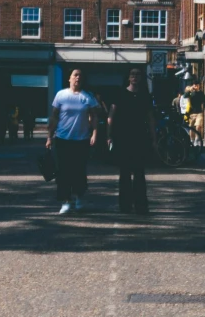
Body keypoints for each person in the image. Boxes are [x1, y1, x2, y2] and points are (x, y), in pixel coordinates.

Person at [46, 67, 102, 216]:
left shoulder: (87, 97)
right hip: (63, 139)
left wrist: (95, 133)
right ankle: (65, 202)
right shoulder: (61, 95)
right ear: (69, 78)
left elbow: (95, 117)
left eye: (80, 76)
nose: (78, 78)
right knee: (63, 172)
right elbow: (54, 117)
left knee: (79, 171)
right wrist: (49, 136)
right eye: (75, 75)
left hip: (81, 140)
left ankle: (79, 199)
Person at [110, 67, 154, 217]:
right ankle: (125, 205)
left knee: (139, 174)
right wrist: (109, 134)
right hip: (123, 137)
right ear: (128, 77)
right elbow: (112, 114)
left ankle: (141, 205)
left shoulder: (145, 96)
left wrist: (154, 138)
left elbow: (150, 118)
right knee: (125, 173)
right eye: (132, 74)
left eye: (138, 74)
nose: (135, 77)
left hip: (140, 137)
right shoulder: (120, 93)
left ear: (141, 78)